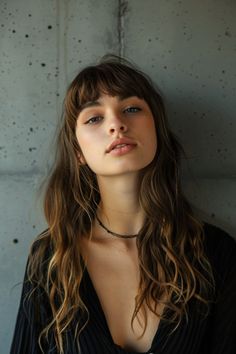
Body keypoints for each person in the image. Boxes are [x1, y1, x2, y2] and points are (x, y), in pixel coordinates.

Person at [11, 54, 236, 354]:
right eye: (94, 118)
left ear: (156, 129)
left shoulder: (216, 253)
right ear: (78, 152)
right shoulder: (53, 258)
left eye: (131, 108)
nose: (116, 124)